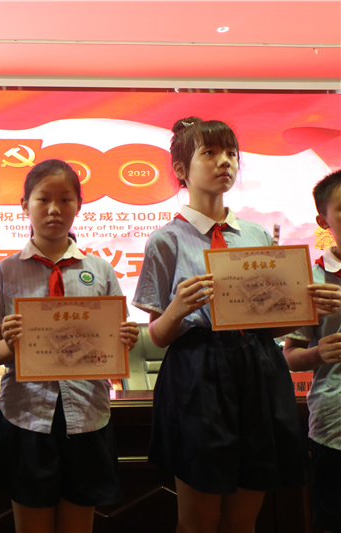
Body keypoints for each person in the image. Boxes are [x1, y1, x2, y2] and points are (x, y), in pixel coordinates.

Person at [132, 117, 341, 533]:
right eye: (209, 153)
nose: (224, 162)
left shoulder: (256, 235)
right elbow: (156, 337)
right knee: (198, 519)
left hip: (258, 369)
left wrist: (306, 311)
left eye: (230, 153)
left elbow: (272, 326)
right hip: (197, 373)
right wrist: (178, 309)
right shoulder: (166, 240)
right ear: (181, 169)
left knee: (245, 517)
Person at [0, 158, 139, 533]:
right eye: (43, 199)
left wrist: (124, 341)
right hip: (26, 415)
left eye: (65, 199)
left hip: (88, 414)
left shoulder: (100, 270)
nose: (54, 209)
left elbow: (113, 343)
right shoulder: (4, 273)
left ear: (78, 205)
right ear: (24, 205)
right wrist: (8, 347)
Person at [283, 169, 341, 533]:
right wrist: (318, 354)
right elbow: (290, 356)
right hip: (333, 425)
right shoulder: (311, 279)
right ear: (324, 220)